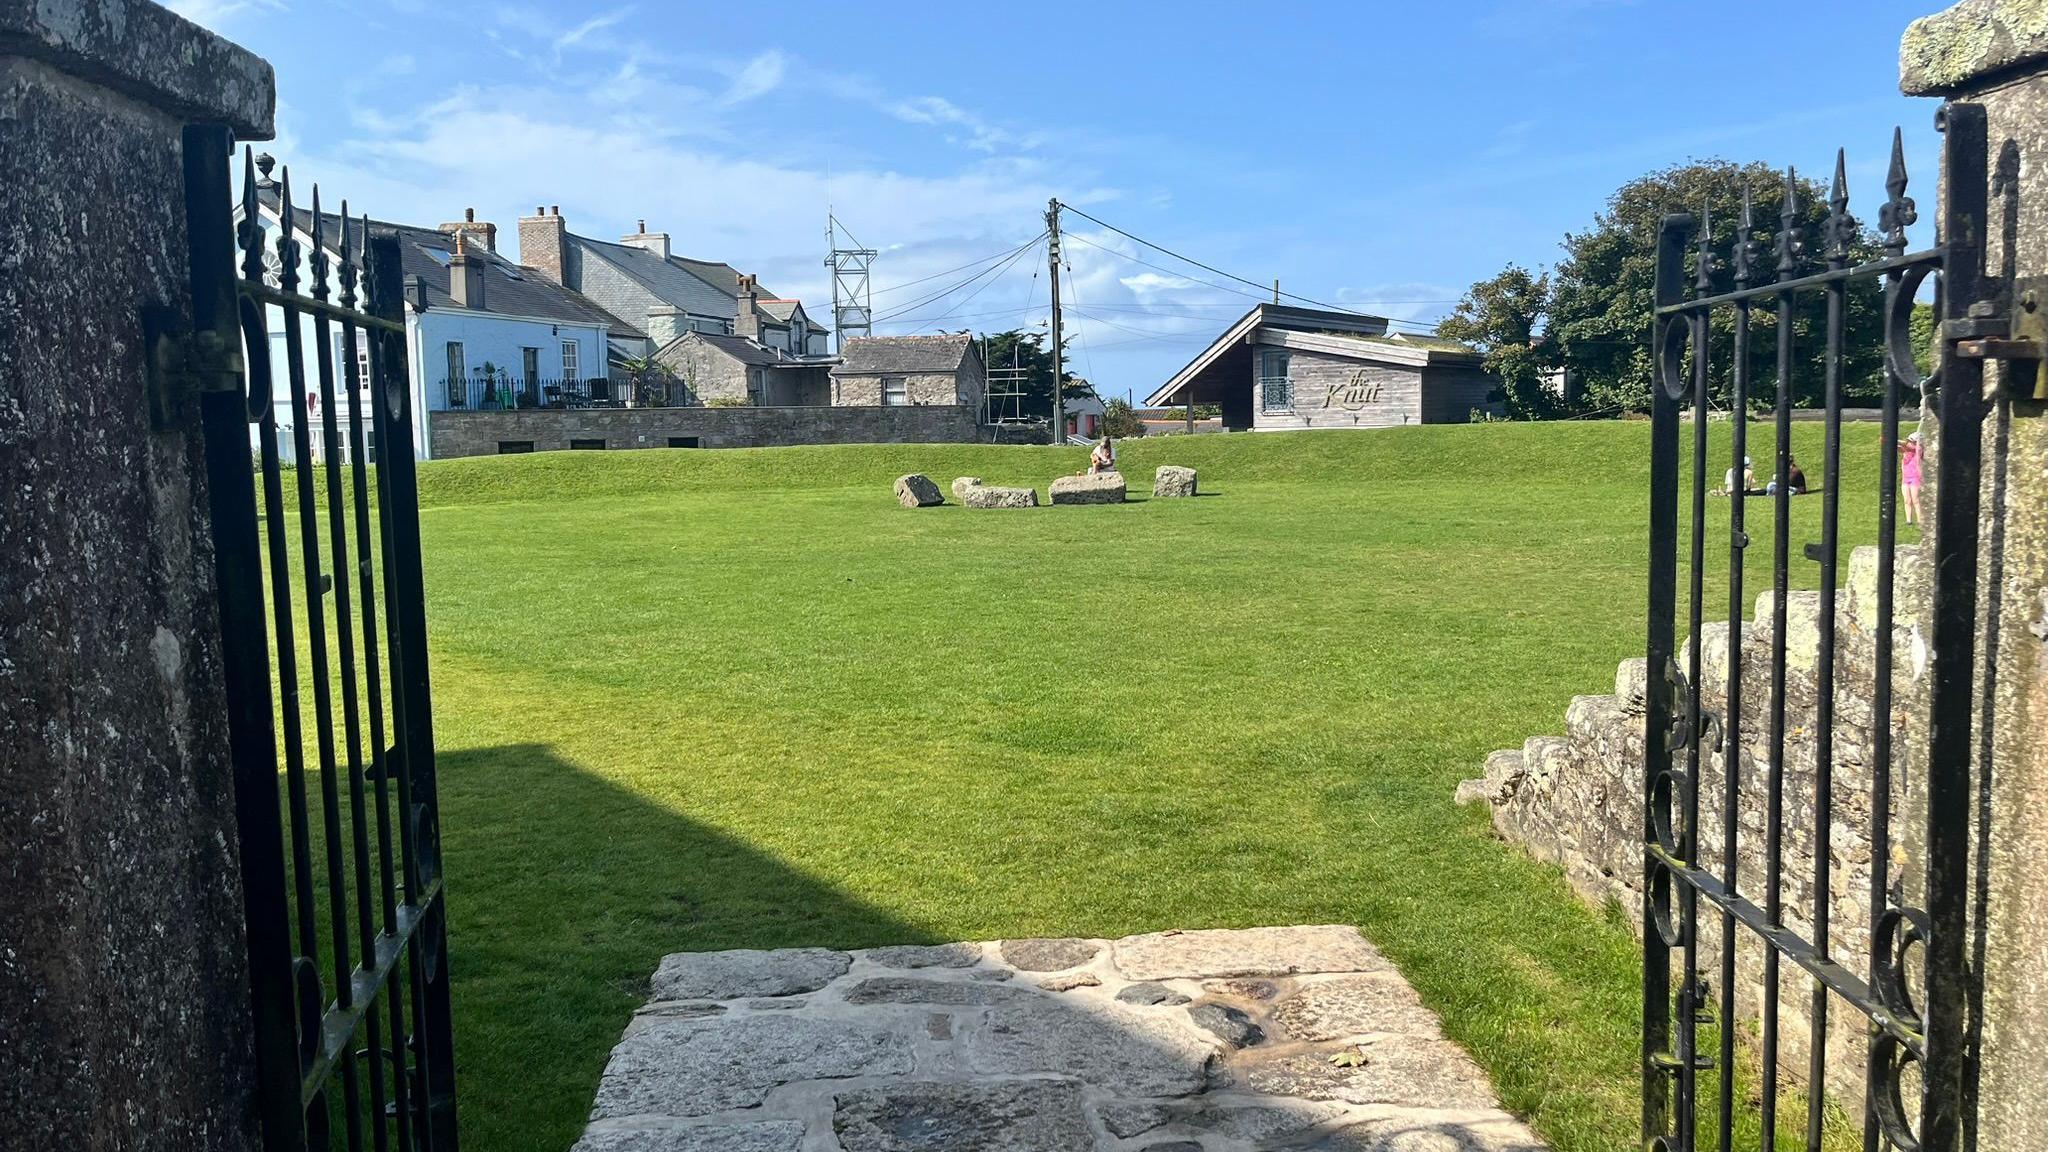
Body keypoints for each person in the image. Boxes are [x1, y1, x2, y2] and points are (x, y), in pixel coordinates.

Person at [1900, 431, 1924, 524]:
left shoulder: (1918, 449)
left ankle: (1919, 520)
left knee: (1915, 500)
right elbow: (1900, 447)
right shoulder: (1906, 450)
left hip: (1915, 478)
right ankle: (1908, 520)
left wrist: (1892, 439)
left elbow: (1906, 445)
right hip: (1905, 478)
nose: (1908, 442)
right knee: (1907, 500)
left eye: (1911, 441)